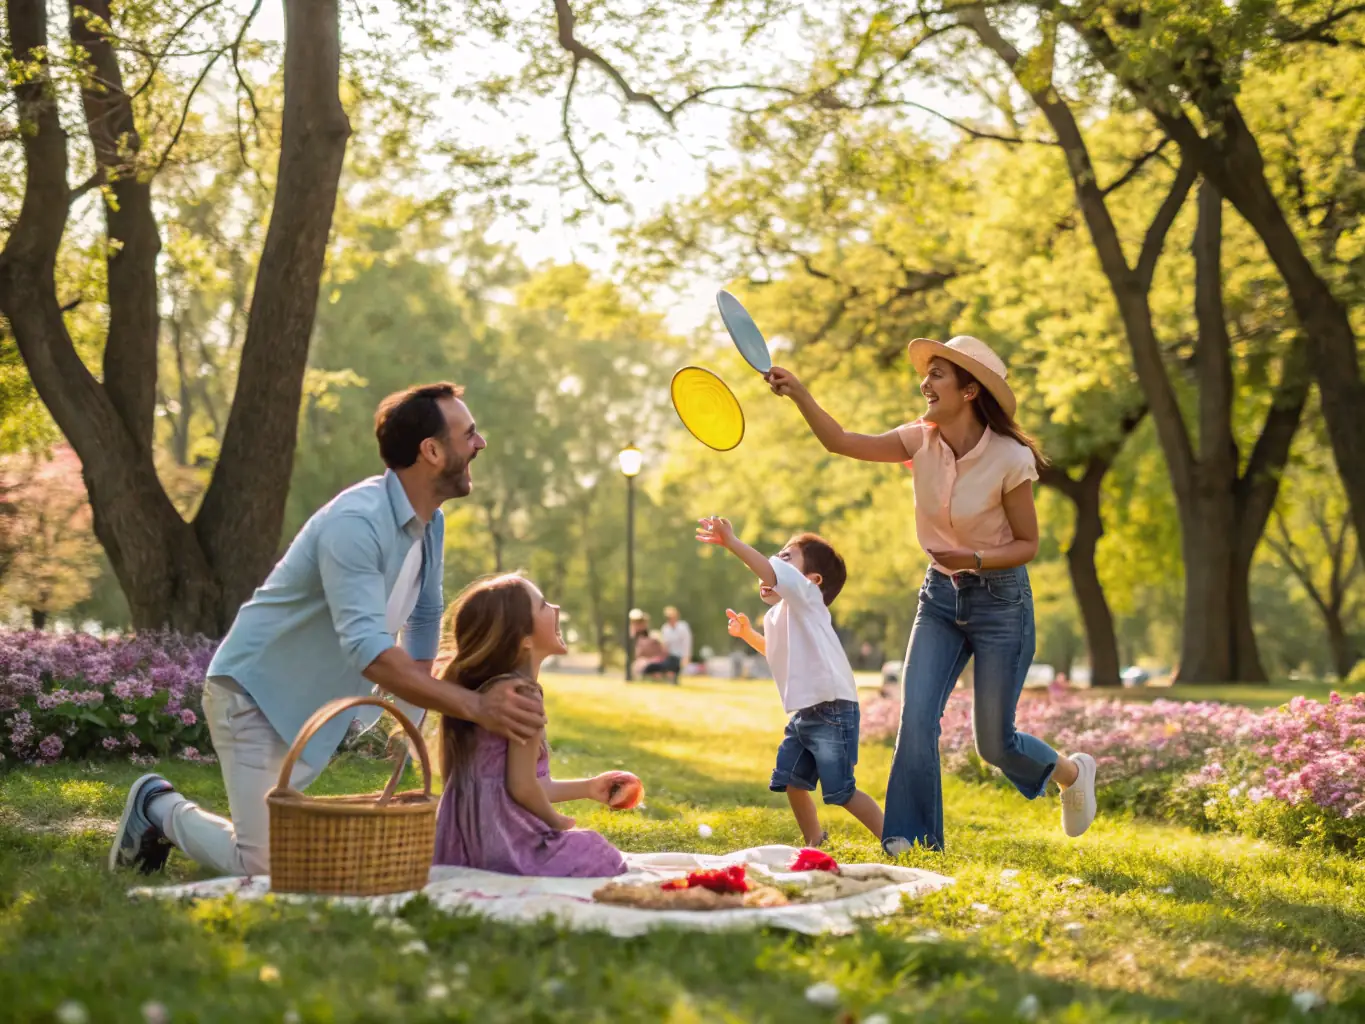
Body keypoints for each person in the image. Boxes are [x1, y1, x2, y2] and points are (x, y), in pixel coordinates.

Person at [109, 383, 546, 877]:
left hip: (307, 706)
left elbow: (424, 619)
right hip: (253, 696)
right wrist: (474, 707)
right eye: (469, 435)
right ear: (431, 451)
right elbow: (368, 649)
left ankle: (168, 814)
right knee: (264, 866)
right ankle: (157, 807)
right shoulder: (356, 522)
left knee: (297, 853)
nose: (479, 444)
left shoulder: (431, 523)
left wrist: (410, 721)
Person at [766, 336, 1098, 854]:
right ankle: (913, 841)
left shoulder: (1010, 459)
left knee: (994, 742)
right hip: (939, 598)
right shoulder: (920, 440)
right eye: (927, 375)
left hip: (1000, 603)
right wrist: (800, 394)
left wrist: (976, 560)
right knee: (916, 719)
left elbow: (1028, 544)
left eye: (938, 375)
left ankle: (1070, 773)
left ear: (970, 390)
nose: (925, 383)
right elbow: (842, 440)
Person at [696, 516, 883, 847]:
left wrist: (732, 543)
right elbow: (777, 653)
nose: (773, 566)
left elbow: (767, 572)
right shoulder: (778, 614)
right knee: (792, 781)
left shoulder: (807, 597)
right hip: (805, 714)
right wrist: (748, 635)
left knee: (841, 790)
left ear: (812, 579)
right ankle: (815, 841)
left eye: (786, 558)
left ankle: (895, 838)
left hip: (832, 707)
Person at [433, 573, 630, 876]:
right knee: (600, 853)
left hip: (463, 845)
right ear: (523, 639)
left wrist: (589, 787)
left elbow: (514, 784)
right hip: (504, 845)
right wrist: (556, 822)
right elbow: (522, 786)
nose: (556, 609)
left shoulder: (483, 694)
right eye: (543, 606)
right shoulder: (522, 697)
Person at [658, 606, 693, 675]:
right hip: (670, 656)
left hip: (680, 656)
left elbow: (687, 643)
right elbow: (665, 644)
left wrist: (686, 656)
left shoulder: (683, 627)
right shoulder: (665, 628)